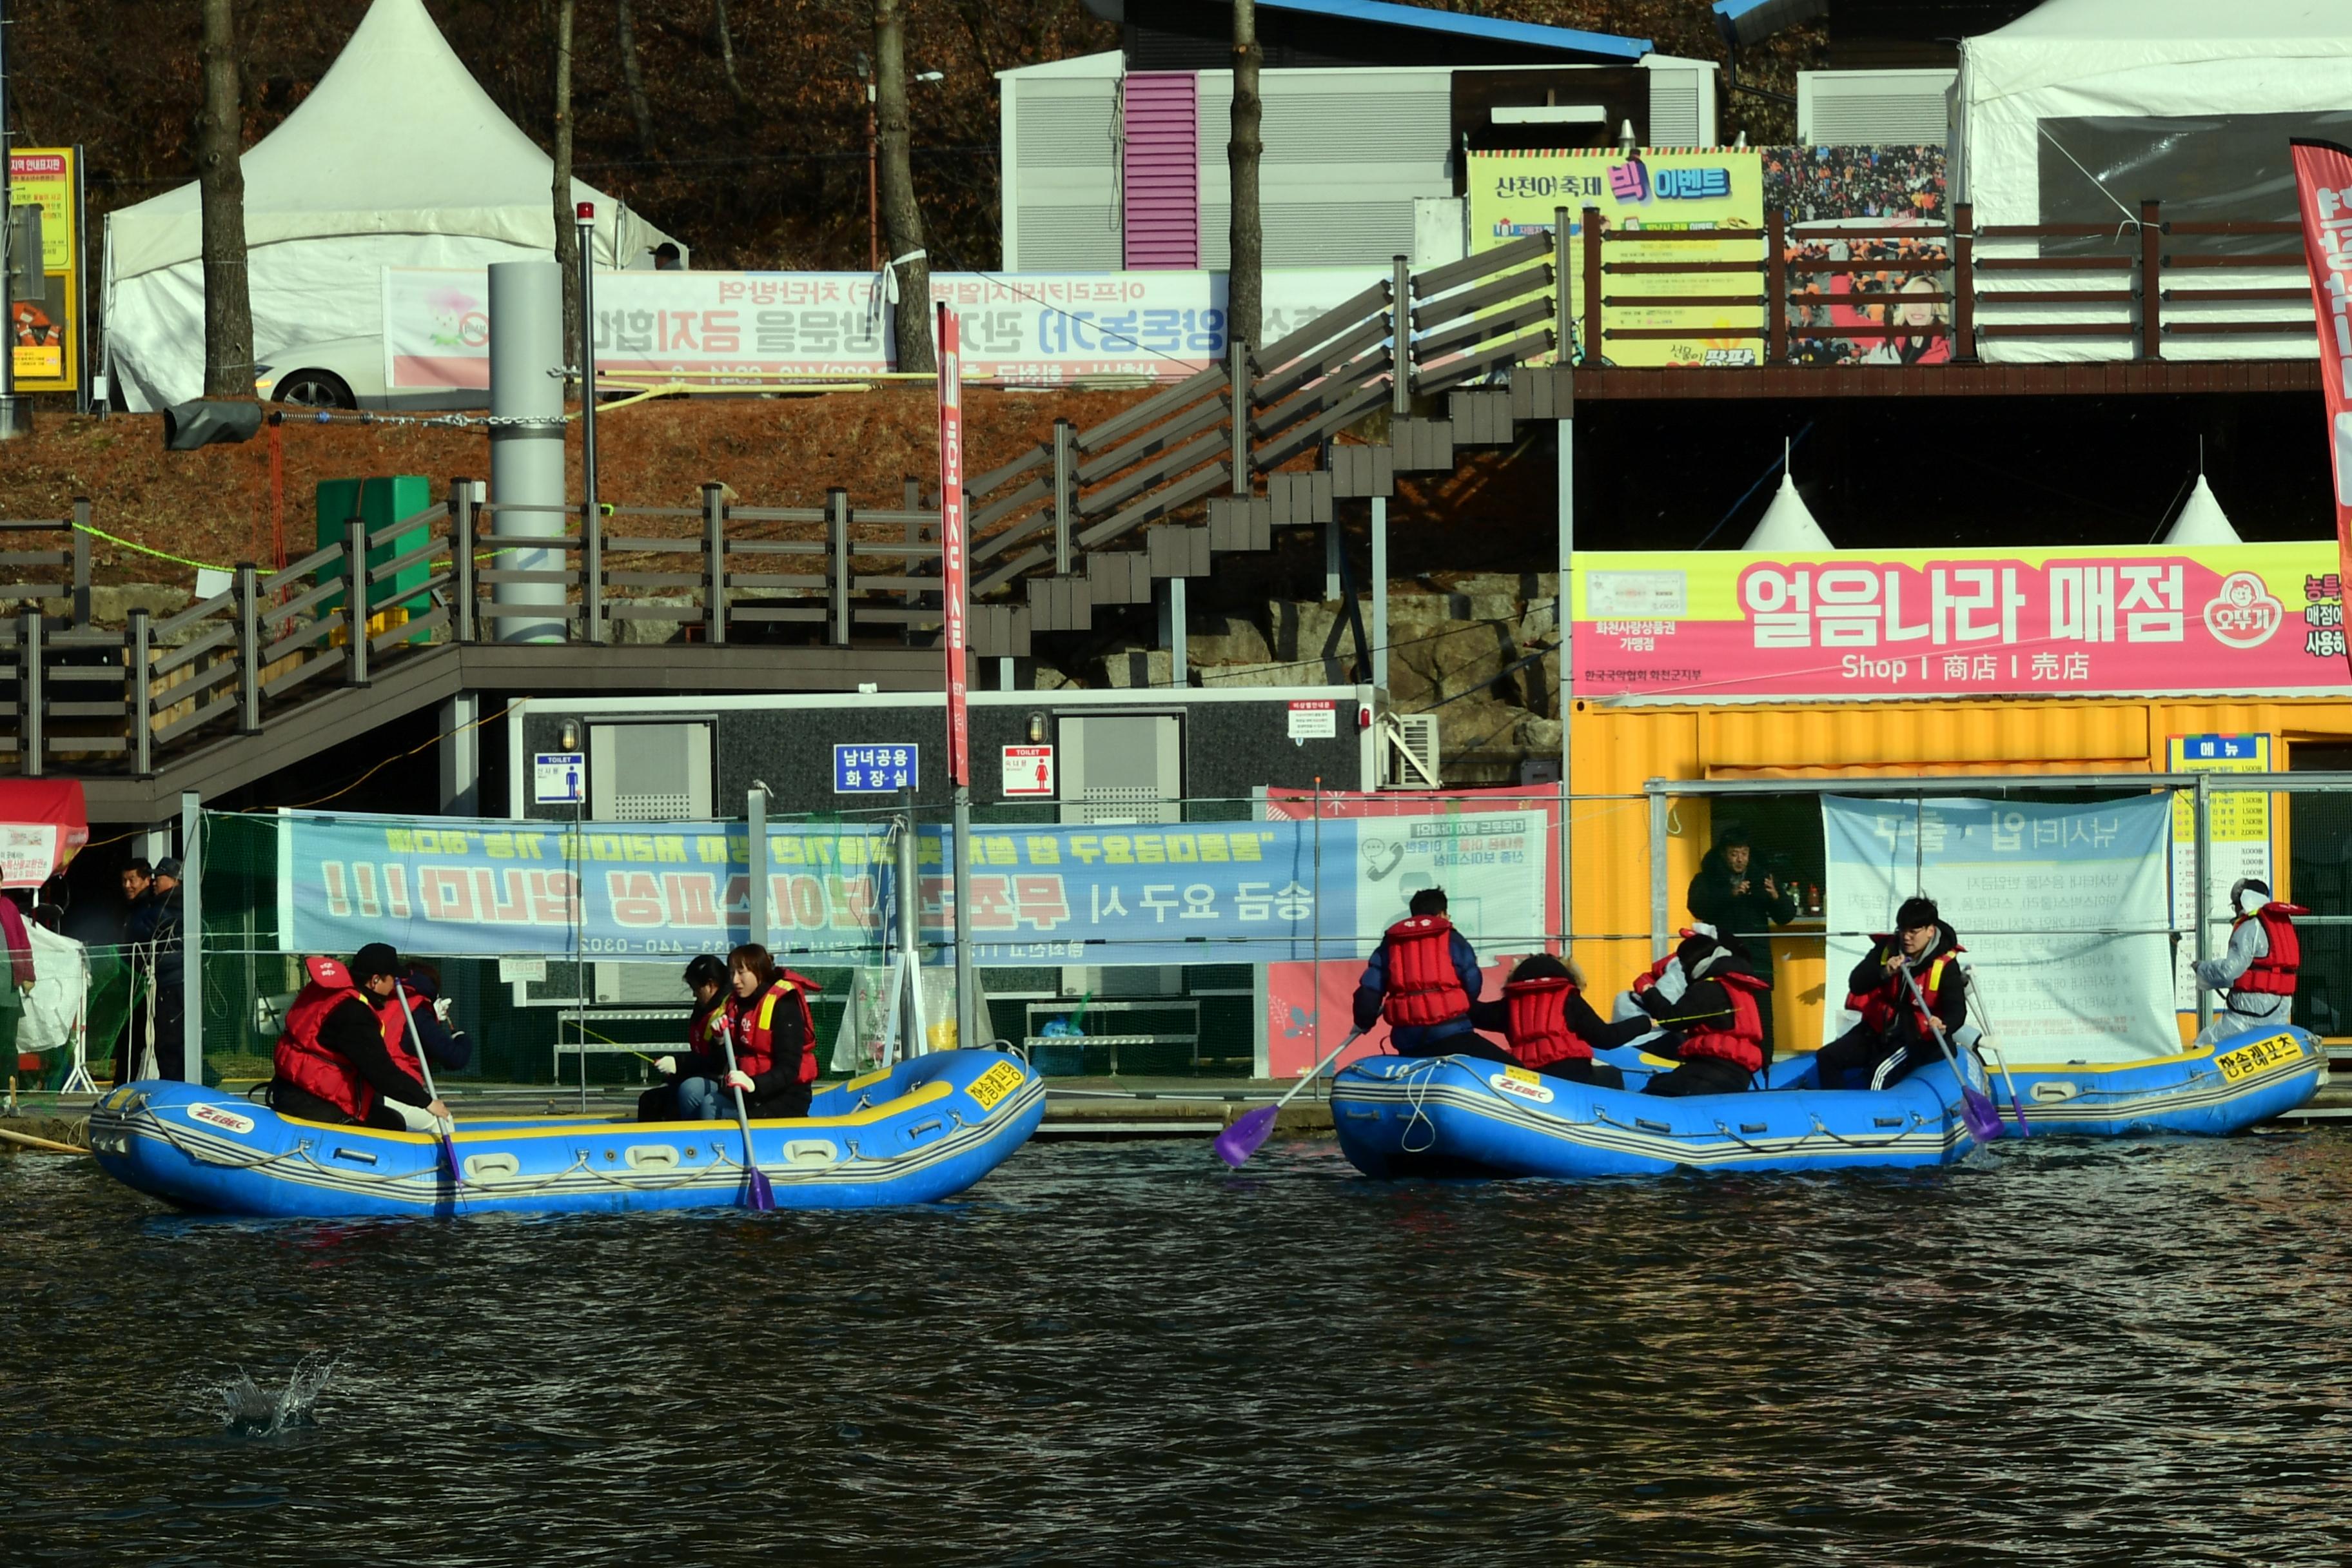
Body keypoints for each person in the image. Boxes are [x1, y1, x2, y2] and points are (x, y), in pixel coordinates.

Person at [268, 946, 449, 1132]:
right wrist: (427, 1102)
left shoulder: (327, 991)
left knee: (379, 1106)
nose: (395, 985)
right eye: (392, 979)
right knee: (394, 1122)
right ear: (375, 980)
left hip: (287, 1087)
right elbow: (382, 1073)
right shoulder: (355, 1014)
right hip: (312, 1102)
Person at [1814, 896, 1968, 1092]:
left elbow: (1957, 1009)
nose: (1906, 937)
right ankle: (1835, 1113)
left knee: (1878, 1074)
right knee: (1827, 1057)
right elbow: (1857, 984)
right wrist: (1884, 973)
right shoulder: (1887, 949)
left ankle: (1871, 1118)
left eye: (1913, 932)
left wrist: (1943, 1024)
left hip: (1915, 1038)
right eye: (1902, 930)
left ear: (1930, 931)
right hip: (1879, 1030)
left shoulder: (1945, 964)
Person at [1353, 887, 1514, 1064]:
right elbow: (1473, 983)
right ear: (1442, 913)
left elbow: (1369, 991)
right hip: (1453, 1035)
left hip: (1408, 1042)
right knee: (1513, 1068)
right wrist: (1455, 1001)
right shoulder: (1452, 939)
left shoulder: (1390, 943)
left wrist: (1364, 1022)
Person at [1685, 821, 1798, 1060]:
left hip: (1757, 963)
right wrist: (1730, 895)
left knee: (1761, 1020)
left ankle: (1764, 1065)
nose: (1740, 859)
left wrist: (1776, 897)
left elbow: (1786, 916)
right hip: (1721, 962)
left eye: (1744, 853)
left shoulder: (1764, 878)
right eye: (1734, 853)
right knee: (1725, 1017)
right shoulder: (1708, 879)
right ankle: (1721, 1061)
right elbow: (1697, 906)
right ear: (1723, 855)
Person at [676, 944, 820, 1121]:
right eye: (732, 974)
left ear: (758, 972)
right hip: (745, 1089)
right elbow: (723, 1061)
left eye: (741, 973)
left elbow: (790, 1068)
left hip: (782, 1097)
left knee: (711, 1105)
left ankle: (717, 1146)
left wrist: (755, 1084)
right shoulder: (734, 1005)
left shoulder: (784, 1005)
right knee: (691, 1091)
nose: (735, 980)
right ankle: (692, 1143)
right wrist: (720, 1040)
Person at [1622, 929, 1772, 1097]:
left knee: (1656, 1090)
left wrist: (1649, 992)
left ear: (1693, 963)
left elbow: (1672, 1019)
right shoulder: (1739, 986)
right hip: (1739, 1072)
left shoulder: (1710, 987)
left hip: (1713, 1070)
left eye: (1685, 967)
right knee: (1662, 1081)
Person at [1469, 954, 1630, 1088]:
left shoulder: (1510, 1005)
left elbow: (1476, 1013)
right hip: (1573, 1073)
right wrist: (1643, 1023)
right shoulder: (1569, 998)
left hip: (1530, 1077)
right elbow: (1606, 1038)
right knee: (1612, 1075)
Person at [2191, 878, 2304, 1046]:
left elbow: (2229, 971)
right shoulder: (2279, 922)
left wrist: (2202, 968)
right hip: (2281, 1005)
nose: (2236, 909)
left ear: (2244, 900)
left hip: (2251, 1007)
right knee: (2267, 1045)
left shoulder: (2250, 926)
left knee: (2207, 1042)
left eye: (2236, 904)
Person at [117, 856, 186, 1084]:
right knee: (149, 1040)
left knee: (168, 1041)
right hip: (151, 982)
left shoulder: (163, 906)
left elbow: (150, 937)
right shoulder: (156, 905)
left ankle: (175, 1088)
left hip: (163, 983)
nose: (155, 881)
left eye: (159, 877)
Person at [640, 954, 730, 1121]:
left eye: (696, 989)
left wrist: (679, 1065)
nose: (694, 995)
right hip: (701, 1073)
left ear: (711, 985)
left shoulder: (726, 1011)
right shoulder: (702, 1009)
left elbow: (718, 1063)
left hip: (720, 1079)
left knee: (689, 1091)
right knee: (650, 1100)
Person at [395, 961, 473, 1073]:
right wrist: (463, 1039)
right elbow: (454, 1058)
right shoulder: (419, 1013)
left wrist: (433, 1018)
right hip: (402, 1081)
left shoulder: (392, 1002)